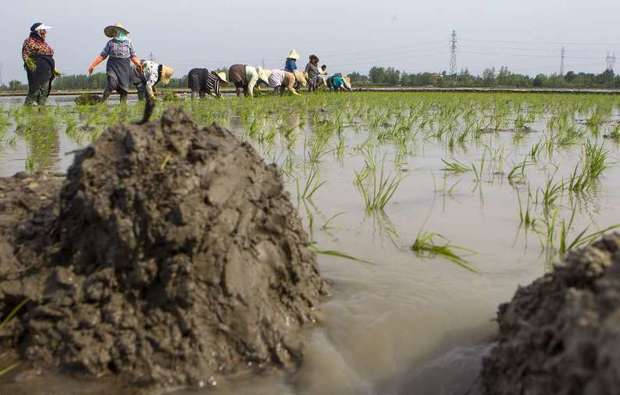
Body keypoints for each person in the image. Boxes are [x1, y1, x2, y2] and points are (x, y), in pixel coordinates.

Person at [87, 23, 142, 103]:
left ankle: (123, 110)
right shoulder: (110, 43)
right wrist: (92, 65)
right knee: (112, 83)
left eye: (117, 31)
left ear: (121, 32)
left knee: (124, 90)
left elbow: (133, 56)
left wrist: (138, 64)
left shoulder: (128, 43)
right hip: (113, 66)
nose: (115, 33)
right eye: (114, 31)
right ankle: (102, 102)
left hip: (125, 67)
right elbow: (102, 56)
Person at [22, 23, 58, 106]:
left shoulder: (43, 43)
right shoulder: (29, 41)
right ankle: (27, 110)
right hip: (36, 71)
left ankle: (41, 111)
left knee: (44, 91)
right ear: (38, 31)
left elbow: (50, 51)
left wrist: (53, 68)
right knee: (34, 91)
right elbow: (32, 52)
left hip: (47, 71)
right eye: (43, 30)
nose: (45, 32)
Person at [135, 60, 174, 124]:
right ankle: (141, 111)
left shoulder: (156, 67)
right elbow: (148, 85)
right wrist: (153, 97)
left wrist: (154, 91)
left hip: (140, 67)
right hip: (137, 71)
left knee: (147, 94)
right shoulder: (155, 75)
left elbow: (150, 80)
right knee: (143, 93)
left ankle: (144, 112)